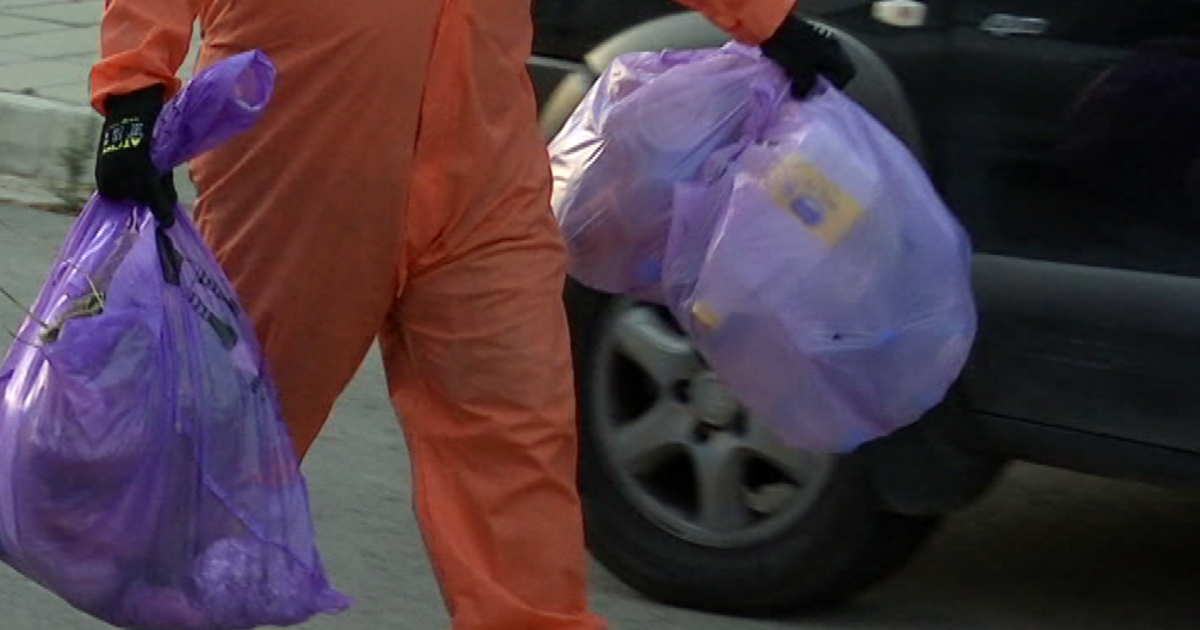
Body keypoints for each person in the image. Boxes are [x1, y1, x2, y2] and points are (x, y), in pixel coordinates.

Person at [89, 1, 853, 628]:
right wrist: (133, 88)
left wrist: (766, 19)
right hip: (298, 160)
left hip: (483, 175)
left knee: (516, 437)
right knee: (235, 439)